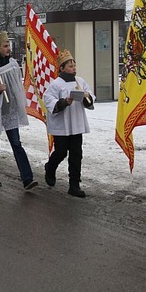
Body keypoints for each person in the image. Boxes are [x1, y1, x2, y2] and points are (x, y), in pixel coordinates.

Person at [0, 31, 38, 190]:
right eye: (5, 46)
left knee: (16, 143)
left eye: (8, 45)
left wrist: (20, 102)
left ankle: (27, 178)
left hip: (9, 109)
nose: (8, 49)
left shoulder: (11, 63)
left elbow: (17, 85)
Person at [43, 49, 95, 198]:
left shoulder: (80, 81)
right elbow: (49, 100)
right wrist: (65, 102)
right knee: (61, 152)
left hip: (77, 123)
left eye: (74, 65)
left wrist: (86, 96)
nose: (73, 68)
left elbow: (90, 97)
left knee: (76, 154)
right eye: (70, 66)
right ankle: (50, 167)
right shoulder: (56, 84)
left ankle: (74, 185)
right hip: (62, 125)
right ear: (63, 68)